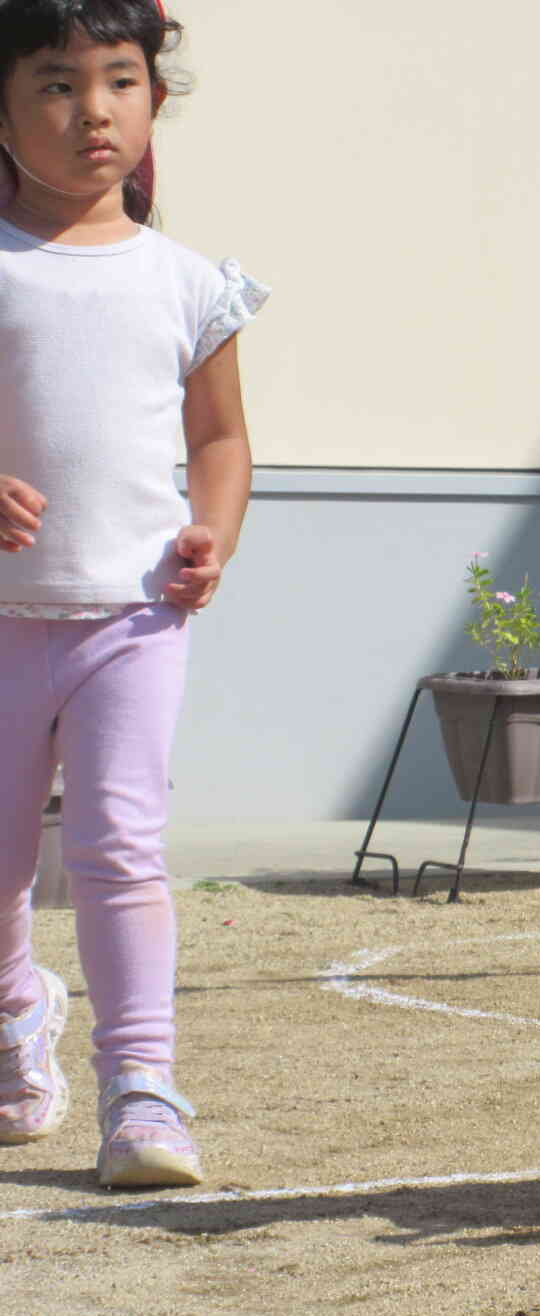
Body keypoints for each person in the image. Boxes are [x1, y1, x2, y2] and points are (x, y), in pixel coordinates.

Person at [0, 0, 265, 1186]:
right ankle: (16, 1026)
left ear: (156, 100)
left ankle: (142, 1092)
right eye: (56, 83)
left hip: (133, 619)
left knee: (120, 851)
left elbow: (222, 442)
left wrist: (212, 532)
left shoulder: (188, 283)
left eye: (118, 79)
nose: (91, 110)